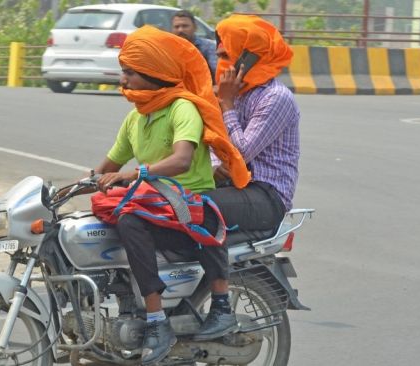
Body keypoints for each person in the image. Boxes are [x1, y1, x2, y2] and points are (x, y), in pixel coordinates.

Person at [91, 25, 250, 365]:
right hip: (158, 204)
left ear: (153, 74)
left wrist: (136, 173)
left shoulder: (182, 108)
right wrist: (77, 185)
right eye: (123, 72)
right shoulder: (136, 118)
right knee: (96, 218)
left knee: (129, 218)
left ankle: (156, 321)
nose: (123, 80)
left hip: (191, 205)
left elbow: (181, 160)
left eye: (130, 72)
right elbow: (107, 166)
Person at [209, 14, 300, 237]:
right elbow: (210, 140)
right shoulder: (232, 93)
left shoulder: (275, 98)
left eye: (226, 56)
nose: (220, 65)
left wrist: (227, 105)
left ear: (247, 59)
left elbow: (241, 152)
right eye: (219, 56)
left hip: (266, 194)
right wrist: (213, 165)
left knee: (194, 206)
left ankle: (217, 273)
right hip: (231, 185)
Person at [171, 10, 217, 83]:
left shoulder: (208, 46)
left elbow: (217, 73)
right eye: (176, 27)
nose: (180, 30)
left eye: (185, 26)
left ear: (195, 27)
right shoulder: (168, 49)